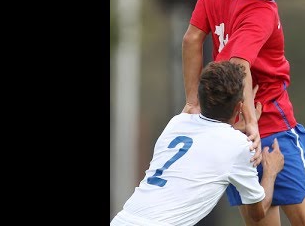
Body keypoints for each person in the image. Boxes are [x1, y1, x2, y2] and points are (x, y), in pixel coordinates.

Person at [182, 0, 305, 225]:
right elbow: (239, 66)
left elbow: (192, 39)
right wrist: (253, 123)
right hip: (272, 127)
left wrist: (193, 102)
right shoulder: (260, 11)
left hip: (234, 136)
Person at [110, 61, 284, 226]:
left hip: (122, 219)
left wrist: (238, 126)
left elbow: (206, 140)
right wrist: (271, 171)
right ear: (239, 107)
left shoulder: (177, 122)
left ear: (201, 99)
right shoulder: (239, 146)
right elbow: (257, 212)